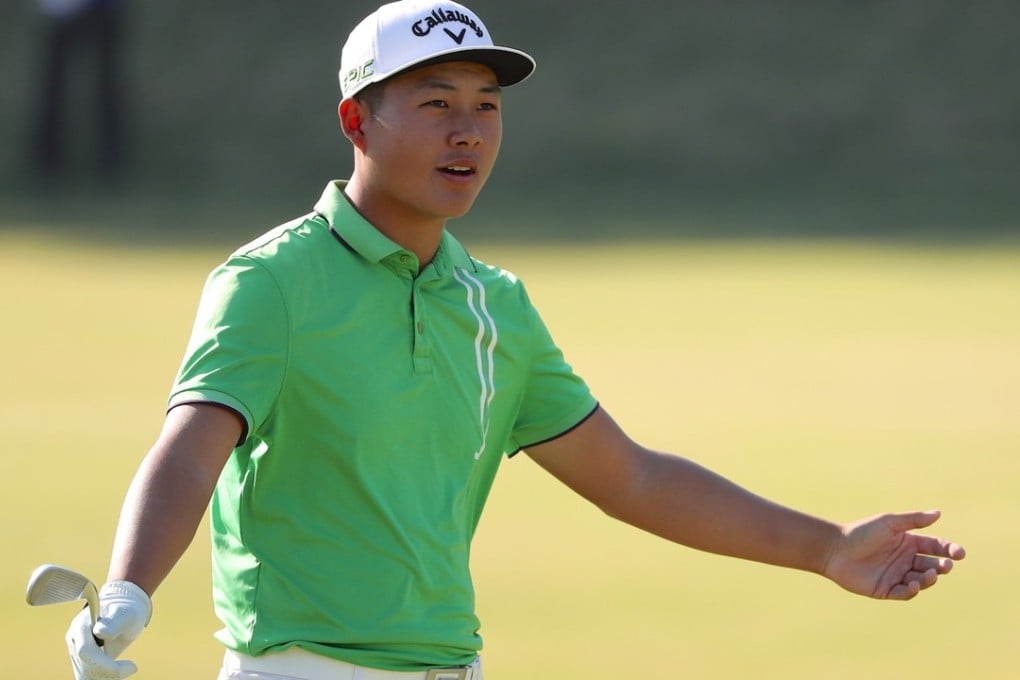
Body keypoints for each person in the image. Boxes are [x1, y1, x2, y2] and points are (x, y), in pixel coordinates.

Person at [63, 1, 966, 679]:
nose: (468, 130)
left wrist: (825, 546)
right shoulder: (271, 282)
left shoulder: (495, 304)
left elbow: (634, 478)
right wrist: (130, 591)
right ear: (356, 121)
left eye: (487, 106)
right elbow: (190, 449)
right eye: (435, 101)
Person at [30, 0, 126, 184]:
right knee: (53, 88)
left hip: (104, 7)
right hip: (61, 9)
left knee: (107, 87)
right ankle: (46, 165)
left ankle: (112, 167)